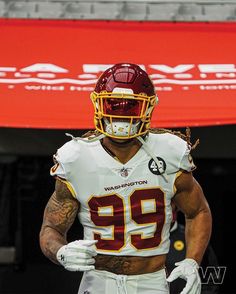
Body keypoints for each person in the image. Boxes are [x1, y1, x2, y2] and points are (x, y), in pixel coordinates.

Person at [39, 63, 212, 294]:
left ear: (148, 107)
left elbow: (198, 211)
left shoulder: (169, 152)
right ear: (98, 103)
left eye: (131, 106)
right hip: (98, 280)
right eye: (113, 104)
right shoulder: (76, 157)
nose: (120, 114)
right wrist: (60, 252)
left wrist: (192, 261)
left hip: (151, 281)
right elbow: (51, 227)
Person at [166, 205, 219, 294]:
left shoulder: (194, 238)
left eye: (169, 203)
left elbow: (212, 275)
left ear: (177, 206)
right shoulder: (140, 241)